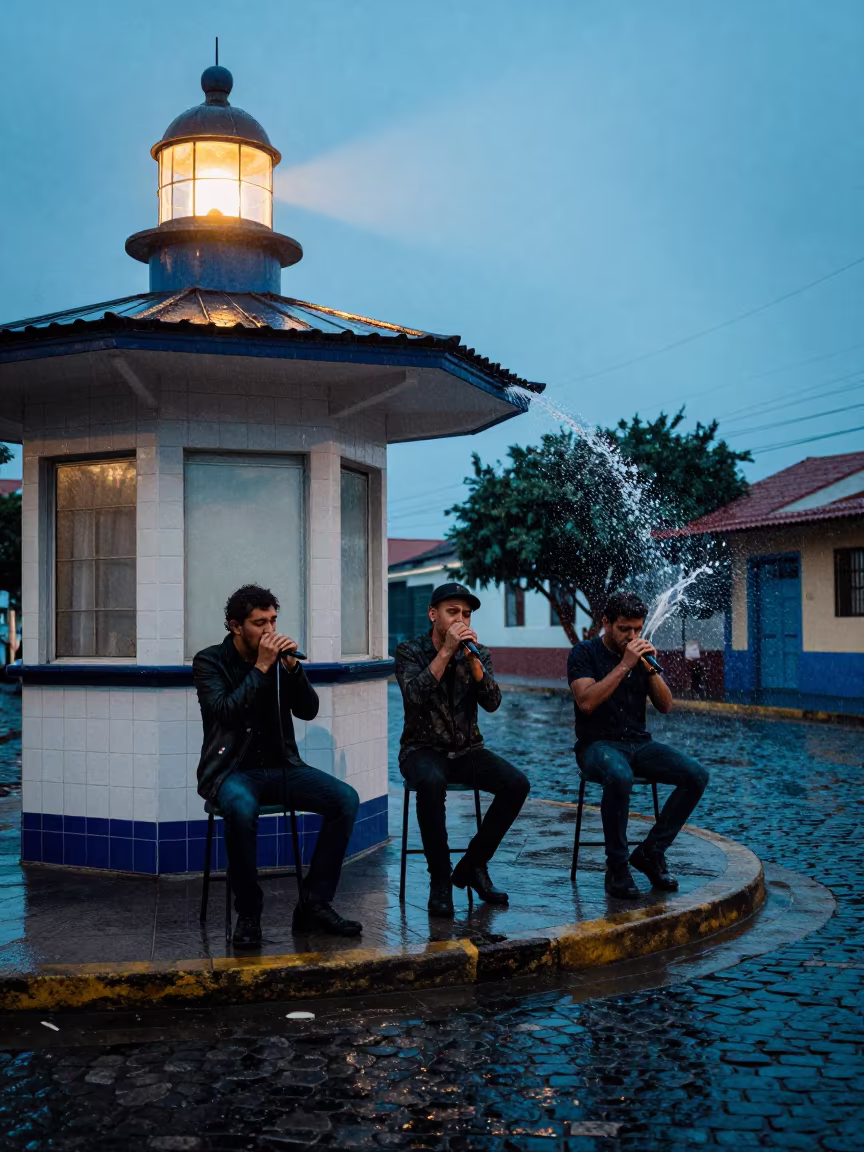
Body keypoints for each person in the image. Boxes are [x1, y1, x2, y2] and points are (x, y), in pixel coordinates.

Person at [193, 584, 361, 948]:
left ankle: (314, 904)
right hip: (230, 772)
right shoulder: (208, 662)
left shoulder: (278, 660)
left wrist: (293, 670)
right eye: (259, 623)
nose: (269, 631)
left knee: (345, 800)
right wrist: (262, 667)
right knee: (240, 808)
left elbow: (308, 710)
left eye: (273, 621)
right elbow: (227, 712)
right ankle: (249, 912)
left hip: (281, 766)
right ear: (235, 626)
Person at [395, 582, 530, 917]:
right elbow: (414, 698)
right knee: (430, 783)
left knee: (517, 784)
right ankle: (440, 880)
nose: (460, 619)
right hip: (421, 750)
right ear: (433, 614)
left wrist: (472, 661)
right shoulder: (409, 651)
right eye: (452, 612)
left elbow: (493, 703)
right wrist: (445, 652)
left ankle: (473, 866)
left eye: (466, 614)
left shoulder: (478, 652)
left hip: (467, 750)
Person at [567, 590, 709, 899]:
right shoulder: (584, 653)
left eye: (637, 629)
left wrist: (648, 668)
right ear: (605, 623)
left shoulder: (643, 657)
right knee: (619, 776)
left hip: (639, 744)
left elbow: (666, 706)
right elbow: (586, 702)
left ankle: (651, 852)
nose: (632, 636)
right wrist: (625, 665)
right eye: (624, 629)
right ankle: (617, 868)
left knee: (696, 775)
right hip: (596, 746)